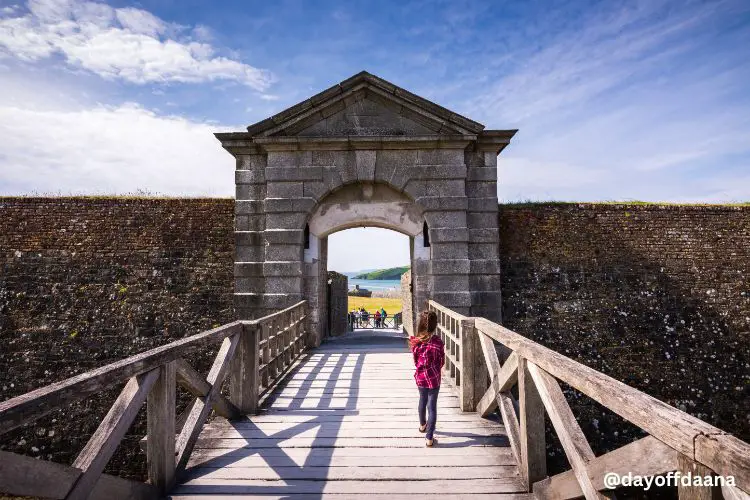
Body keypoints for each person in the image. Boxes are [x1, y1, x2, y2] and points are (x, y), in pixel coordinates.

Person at [408, 310, 444, 447]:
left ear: (421, 325)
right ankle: (429, 438)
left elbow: (416, 361)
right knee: (432, 407)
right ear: (435, 325)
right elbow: (441, 360)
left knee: (422, 401)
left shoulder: (416, 342)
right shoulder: (438, 342)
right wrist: (435, 369)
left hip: (421, 377)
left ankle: (423, 425)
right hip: (434, 378)